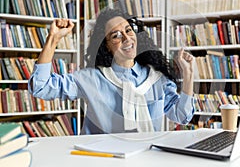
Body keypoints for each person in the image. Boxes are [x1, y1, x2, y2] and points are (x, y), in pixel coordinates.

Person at [28, 7, 195, 134]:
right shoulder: (91, 78)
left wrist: (188, 76)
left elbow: (182, 116)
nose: (126, 38)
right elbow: (40, 87)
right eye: (116, 35)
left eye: (128, 30)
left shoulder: (156, 78)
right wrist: (53, 38)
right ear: (106, 46)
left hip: (146, 158)